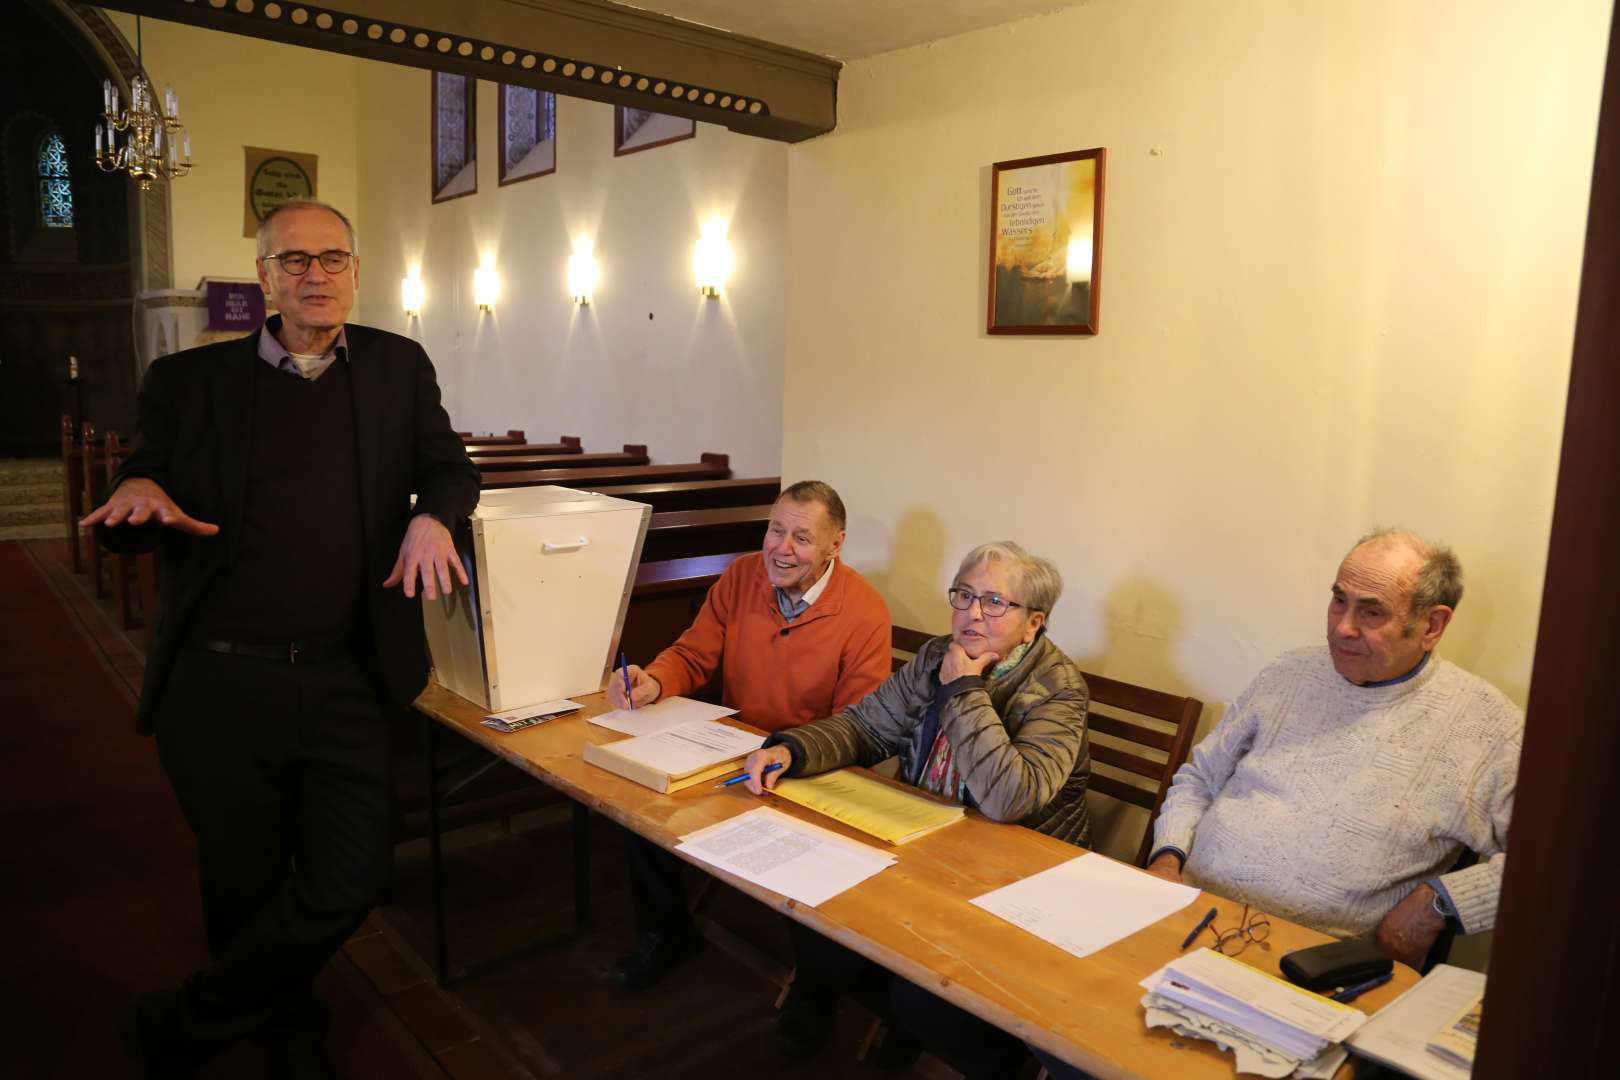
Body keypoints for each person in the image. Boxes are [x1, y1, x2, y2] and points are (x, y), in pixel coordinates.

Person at [85, 200, 479, 1077]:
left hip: (347, 674)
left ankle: (193, 1019)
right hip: (220, 682)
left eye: (332, 259)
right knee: (241, 875)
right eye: (293, 261)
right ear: (263, 277)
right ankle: (282, 1021)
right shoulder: (190, 381)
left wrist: (437, 519)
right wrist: (139, 492)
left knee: (352, 869)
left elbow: (450, 467)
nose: (315, 276)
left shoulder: (396, 366)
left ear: (356, 270)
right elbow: (139, 480)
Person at [740, 541, 1091, 1074]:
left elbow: (1009, 799)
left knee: (920, 1000)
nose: (973, 613)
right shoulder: (936, 656)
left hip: (1014, 875)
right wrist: (793, 748)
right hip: (928, 845)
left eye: (995, 602)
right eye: (965, 595)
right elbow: (866, 727)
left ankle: (976, 1052)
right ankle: (831, 1009)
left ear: (1033, 623)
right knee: (814, 899)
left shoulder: (1058, 690)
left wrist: (965, 689)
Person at [1145, 529, 1523, 967]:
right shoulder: (1288, 673)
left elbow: (1554, 863)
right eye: (1339, 599)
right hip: (1186, 912)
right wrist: (1167, 857)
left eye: (1371, 611)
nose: (1342, 627)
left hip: (1317, 962)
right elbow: (1200, 777)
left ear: (1432, 625)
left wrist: (1438, 903)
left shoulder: (1487, 728)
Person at [605, 481, 892, 990]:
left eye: (801, 538)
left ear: (835, 545)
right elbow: (694, 654)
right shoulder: (741, 577)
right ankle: (667, 934)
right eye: (775, 530)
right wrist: (653, 681)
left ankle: (813, 994)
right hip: (733, 747)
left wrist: (794, 753)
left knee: (814, 861)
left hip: (810, 766)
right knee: (641, 807)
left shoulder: (864, 612)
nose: (781, 549)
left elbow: (858, 726)